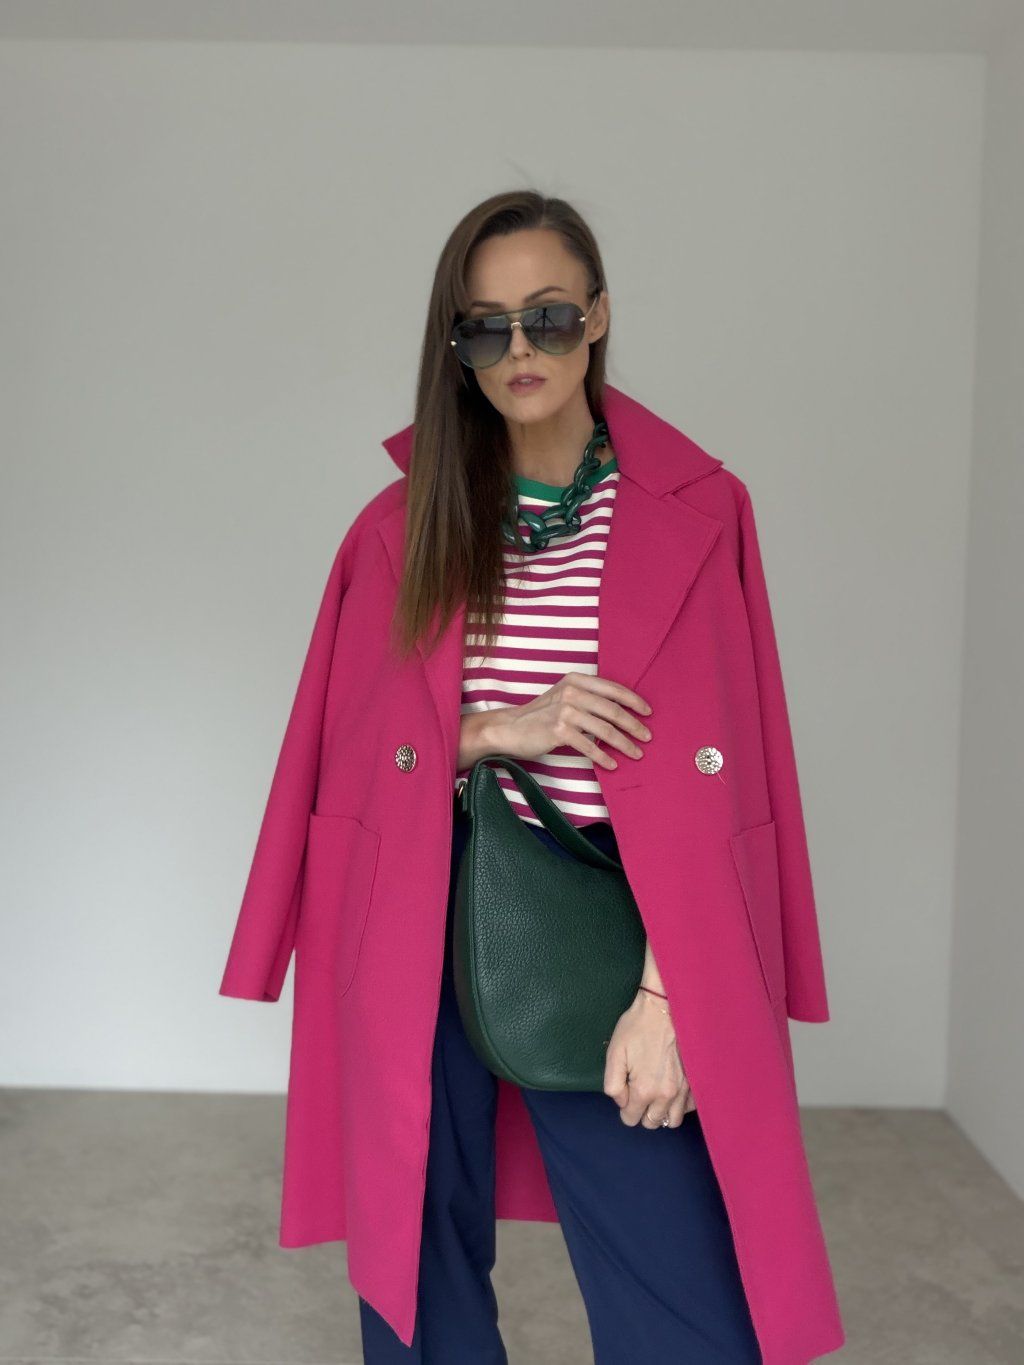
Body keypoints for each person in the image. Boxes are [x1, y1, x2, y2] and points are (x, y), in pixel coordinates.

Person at [219, 189, 845, 1364]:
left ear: (597, 317)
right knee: (418, 1278)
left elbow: (731, 780)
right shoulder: (403, 525)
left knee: (688, 1313)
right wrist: (499, 727)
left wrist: (668, 996)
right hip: (419, 912)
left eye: (548, 316)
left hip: (612, 919)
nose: (519, 348)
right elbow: (347, 756)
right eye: (484, 325)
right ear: (455, 344)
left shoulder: (696, 512)